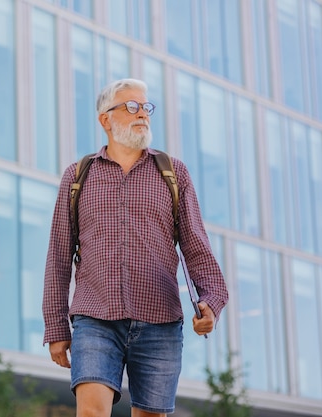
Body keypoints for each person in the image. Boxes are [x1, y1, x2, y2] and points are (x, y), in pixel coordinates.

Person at [42, 78, 229, 417]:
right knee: (90, 412)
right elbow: (58, 255)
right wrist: (55, 326)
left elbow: (196, 248)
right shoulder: (77, 177)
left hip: (159, 321)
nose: (142, 113)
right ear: (105, 119)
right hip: (95, 317)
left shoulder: (174, 174)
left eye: (145, 107)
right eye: (131, 107)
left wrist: (211, 303)